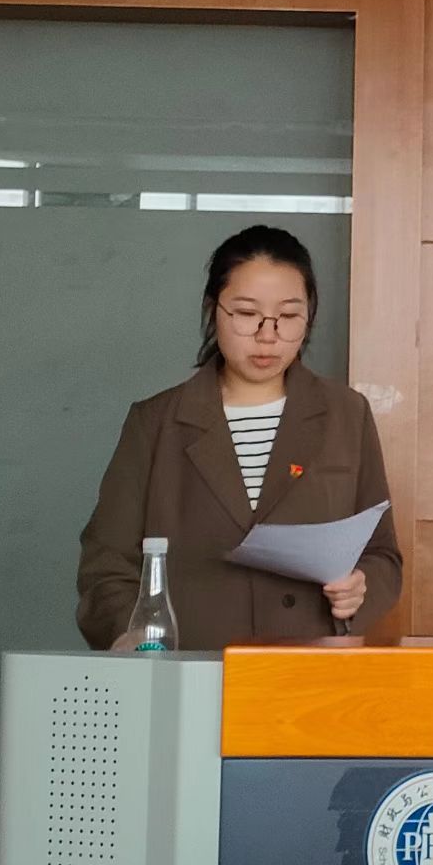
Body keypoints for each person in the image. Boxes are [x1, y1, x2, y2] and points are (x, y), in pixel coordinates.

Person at [76, 225, 402, 650]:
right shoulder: (156, 422)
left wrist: (361, 587)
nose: (268, 335)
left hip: (308, 664)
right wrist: (141, 640)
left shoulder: (346, 414)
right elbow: (106, 564)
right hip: (190, 664)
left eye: (289, 317)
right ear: (213, 310)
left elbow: (382, 554)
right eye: (247, 314)